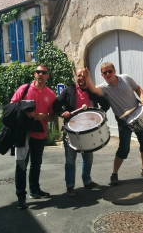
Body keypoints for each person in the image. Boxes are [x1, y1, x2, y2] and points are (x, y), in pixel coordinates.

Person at [83, 63, 143, 185]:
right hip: (123, 121)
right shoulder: (104, 87)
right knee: (124, 149)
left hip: (138, 115)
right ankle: (114, 174)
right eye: (105, 72)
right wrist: (88, 77)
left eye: (110, 71)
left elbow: (138, 89)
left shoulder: (126, 78)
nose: (108, 74)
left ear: (114, 71)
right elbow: (93, 89)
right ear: (102, 75)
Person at [53, 69, 109, 197]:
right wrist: (62, 113)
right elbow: (56, 104)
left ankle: (87, 181)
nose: (81, 78)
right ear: (75, 77)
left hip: (88, 131)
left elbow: (106, 104)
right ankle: (70, 186)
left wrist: (97, 115)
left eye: (83, 76)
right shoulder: (69, 91)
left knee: (88, 158)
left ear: (87, 77)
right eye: (79, 75)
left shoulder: (92, 91)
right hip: (71, 130)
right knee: (70, 160)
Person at [11, 64, 56, 209]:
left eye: (43, 72)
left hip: (39, 134)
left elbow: (52, 117)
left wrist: (43, 116)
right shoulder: (24, 89)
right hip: (23, 133)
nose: (40, 74)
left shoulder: (51, 94)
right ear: (34, 74)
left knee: (36, 165)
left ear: (47, 75)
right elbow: (12, 105)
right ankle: (21, 197)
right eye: (38, 72)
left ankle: (35, 191)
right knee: (21, 165)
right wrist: (26, 113)